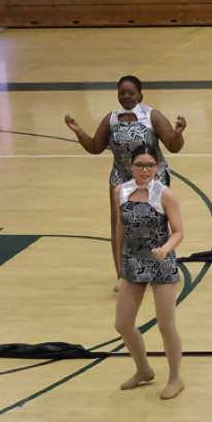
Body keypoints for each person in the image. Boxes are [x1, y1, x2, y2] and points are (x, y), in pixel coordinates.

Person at [63, 76, 189, 289]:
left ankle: (161, 268)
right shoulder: (111, 119)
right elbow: (95, 147)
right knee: (120, 226)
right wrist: (78, 130)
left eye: (131, 92)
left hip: (152, 177)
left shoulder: (152, 116)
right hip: (121, 178)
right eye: (122, 93)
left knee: (156, 223)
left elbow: (173, 146)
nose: (126, 96)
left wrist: (178, 133)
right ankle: (123, 276)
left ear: (140, 95)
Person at [113, 150, 187, 400]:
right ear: (131, 166)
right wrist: (120, 265)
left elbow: (178, 231)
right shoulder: (121, 191)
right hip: (133, 262)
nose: (145, 170)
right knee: (122, 324)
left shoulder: (165, 194)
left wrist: (165, 249)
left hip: (161, 263)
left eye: (150, 165)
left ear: (157, 167)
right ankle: (143, 369)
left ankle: (175, 378)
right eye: (139, 165)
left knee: (166, 325)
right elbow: (120, 228)